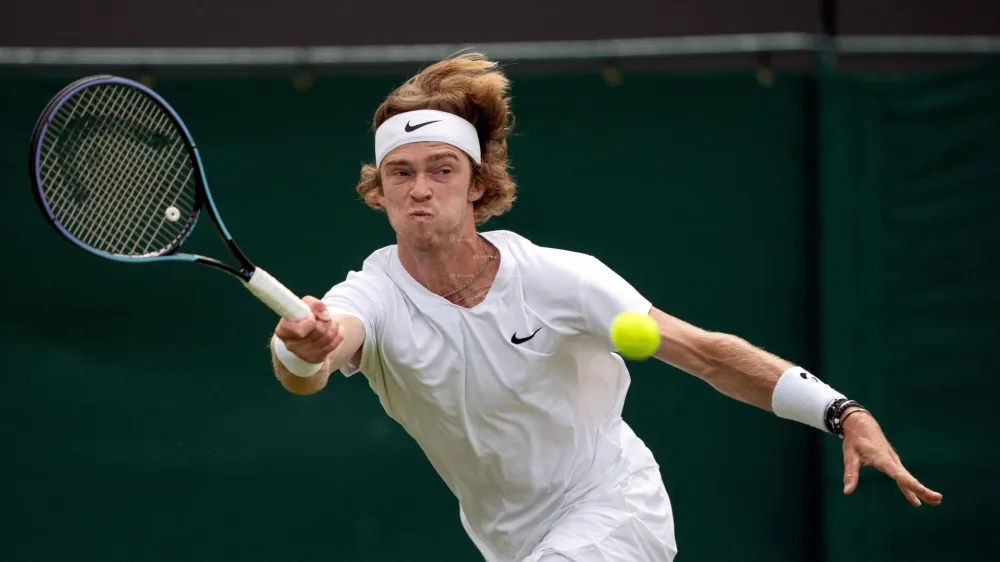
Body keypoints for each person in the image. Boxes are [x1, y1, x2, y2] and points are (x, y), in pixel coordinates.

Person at [268, 53, 942, 562]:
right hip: (509, 541)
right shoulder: (370, 295)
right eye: (400, 173)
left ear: (478, 186)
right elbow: (316, 362)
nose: (420, 189)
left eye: (441, 169)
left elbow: (706, 355)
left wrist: (841, 411)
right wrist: (299, 348)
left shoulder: (565, 281)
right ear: (379, 193)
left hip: (616, 509)